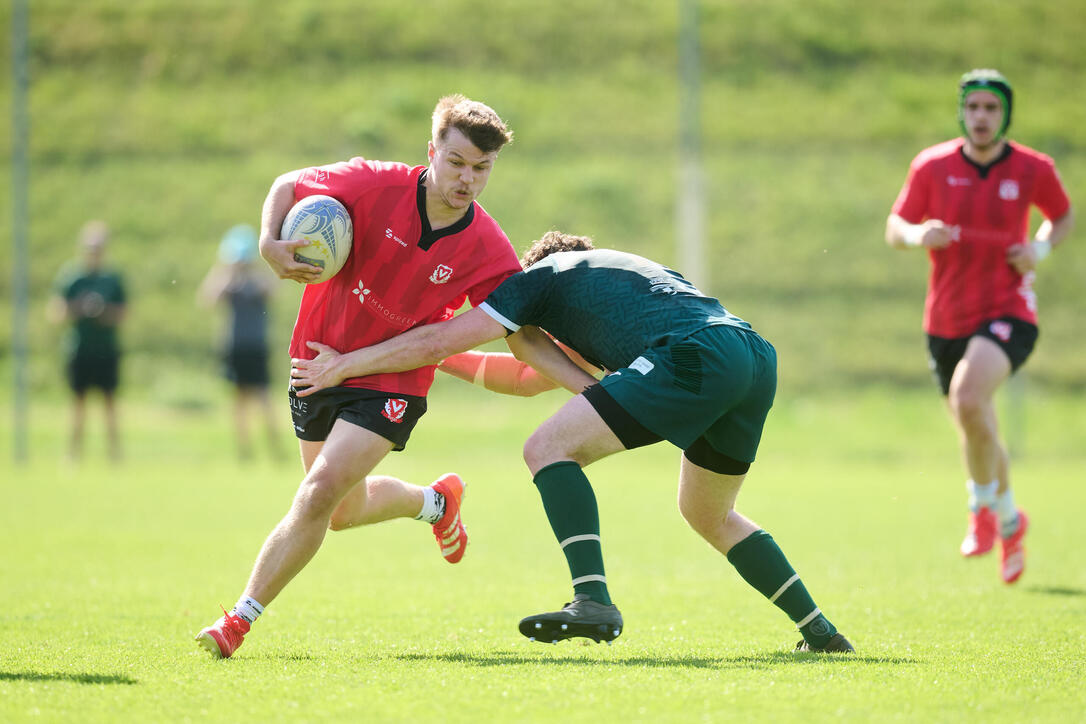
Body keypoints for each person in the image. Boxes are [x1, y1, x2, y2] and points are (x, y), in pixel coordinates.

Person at [291, 232, 854, 653]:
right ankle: (820, 632)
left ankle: (593, 601)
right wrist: (446, 359)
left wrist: (352, 364)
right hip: (751, 355)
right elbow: (527, 374)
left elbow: (445, 336)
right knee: (708, 513)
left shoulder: (536, 282)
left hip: (696, 355)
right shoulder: (610, 281)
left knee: (545, 450)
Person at [194, 95, 563, 659]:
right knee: (340, 511)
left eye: (482, 169)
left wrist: (578, 374)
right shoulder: (372, 183)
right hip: (317, 361)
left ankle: (238, 620)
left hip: (393, 383)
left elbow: (518, 340)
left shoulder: (488, 249)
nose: (468, 179)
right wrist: (270, 242)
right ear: (432, 151)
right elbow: (289, 184)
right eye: (457, 162)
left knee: (316, 493)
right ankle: (434, 503)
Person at [885, 69, 1074, 584]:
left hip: (1009, 309)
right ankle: (1012, 519)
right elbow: (894, 226)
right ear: (962, 113)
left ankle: (980, 510)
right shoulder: (932, 165)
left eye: (991, 108)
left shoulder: (1034, 168)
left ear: (1004, 115)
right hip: (945, 319)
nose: (982, 117)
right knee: (978, 425)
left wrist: (1039, 247)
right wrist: (919, 234)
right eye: (973, 108)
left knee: (969, 400)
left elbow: (1062, 215)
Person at [197, 224, 282, 460]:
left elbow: (273, 291)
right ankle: (244, 449)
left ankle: (274, 446)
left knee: (263, 397)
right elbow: (208, 298)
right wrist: (226, 270)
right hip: (234, 346)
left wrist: (253, 270)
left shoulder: (258, 278)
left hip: (256, 345)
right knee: (239, 400)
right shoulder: (227, 279)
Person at [48, 221, 127, 462]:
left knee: (110, 403)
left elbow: (124, 314)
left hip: (106, 348)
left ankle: (115, 455)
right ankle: (73, 454)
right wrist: (79, 308)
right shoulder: (72, 277)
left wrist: (104, 313)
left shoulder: (112, 279)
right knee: (78, 404)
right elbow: (55, 313)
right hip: (80, 348)